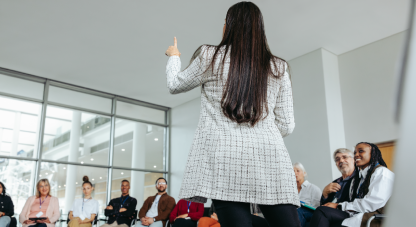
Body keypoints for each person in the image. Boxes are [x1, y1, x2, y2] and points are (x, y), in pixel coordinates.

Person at [164, 2, 299, 227]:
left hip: (224, 158)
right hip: (270, 158)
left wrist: (174, 56)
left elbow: (174, 84)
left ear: (228, 26)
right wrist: (261, 134)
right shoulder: (278, 67)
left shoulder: (211, 56)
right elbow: (287, 125)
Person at [310, 142, 395, 227]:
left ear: (373, 154)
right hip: (354, 214)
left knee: (322, 213)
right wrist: (325, 195)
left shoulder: (381, 173)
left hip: (371, 218)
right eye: (355, 153)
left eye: (361, 151)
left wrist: (338, 206)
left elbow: (371, 204)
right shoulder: (361, 177)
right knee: (321, 212)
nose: (356, 155)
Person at [293, 163, 321, 227]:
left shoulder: (314, 188)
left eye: (298, 171)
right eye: (292, 171)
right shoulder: (290, 190)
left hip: (310, 213)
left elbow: (317, 208)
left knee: (298, 211)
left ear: (304, 173)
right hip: (295, 212)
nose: (294, 173)